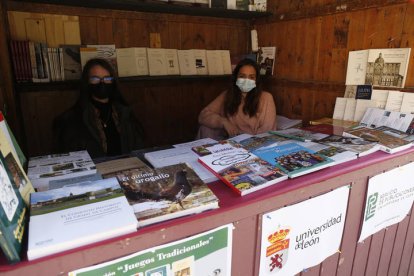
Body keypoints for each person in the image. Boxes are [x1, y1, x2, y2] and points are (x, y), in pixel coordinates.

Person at [53, 58, 144, 158]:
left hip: (126, 169)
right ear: (87, 82)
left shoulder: (125, 113)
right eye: (95, 79)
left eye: (107, 79)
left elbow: (138, 148)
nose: (102, 83)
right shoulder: (72, 119)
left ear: (113, 81)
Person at [197, 58, 276, 139]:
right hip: (230, 141)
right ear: (236, 78)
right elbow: (203, 115)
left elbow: (267, 132)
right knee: (205, 128)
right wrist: (223, 122)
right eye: (242, 76)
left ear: (256, 80)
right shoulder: (227, 95)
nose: (246, 80)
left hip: (253, 143)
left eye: (251, 77)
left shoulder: (266, 98)